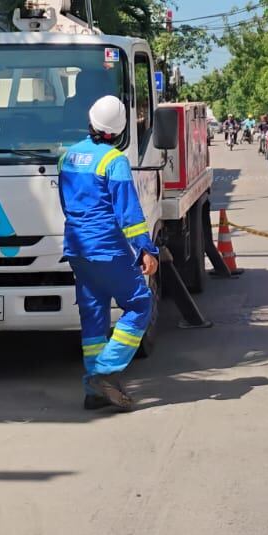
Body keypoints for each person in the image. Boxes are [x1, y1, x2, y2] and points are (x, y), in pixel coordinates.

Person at [58, 95, 160, 412]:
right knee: (140, 305)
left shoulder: (67, 157)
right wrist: (146, 248)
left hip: (76, 247)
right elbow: (128, 213)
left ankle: (95, 393)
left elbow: (65, 204)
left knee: (94, 317)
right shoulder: (113, 160)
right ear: (118, 130)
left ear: (90, 120)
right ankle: (102, 373)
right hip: (107, 250)